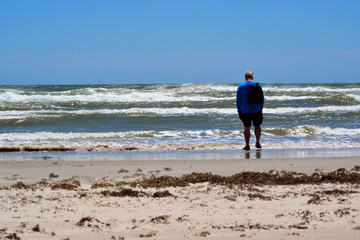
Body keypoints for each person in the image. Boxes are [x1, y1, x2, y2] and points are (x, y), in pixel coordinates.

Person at [236, 71, 264, 150]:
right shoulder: (258, 85)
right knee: (257, 126)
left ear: (245, 77)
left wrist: (239, 110)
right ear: (252, 77)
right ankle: (258, 142)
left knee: (247, 128)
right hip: (257, 109)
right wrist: (261, 107)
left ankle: (247, 145)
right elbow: (262, 98)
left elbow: (238, 100)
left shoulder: (241, 87)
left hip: (245, 110)